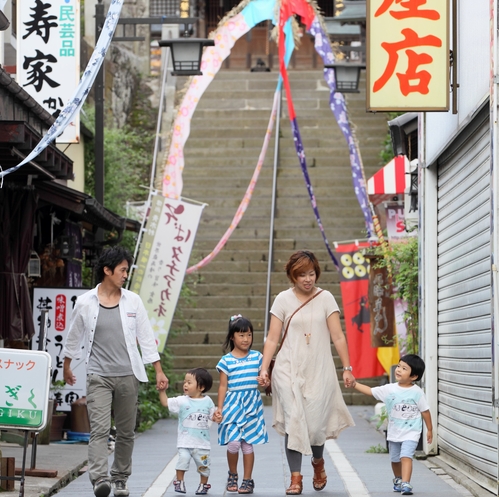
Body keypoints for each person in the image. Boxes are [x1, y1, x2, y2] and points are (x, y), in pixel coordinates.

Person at [62, 246, 168, 497]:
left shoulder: (133, 300)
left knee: (126, 431)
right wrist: (66, 366)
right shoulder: (85, 302)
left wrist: (158, 371)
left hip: (128, 375)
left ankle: (120, 479)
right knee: (99, 430)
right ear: (107, 270)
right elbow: (73, 336)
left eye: (126, 270)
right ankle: (100, 478)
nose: (125, 275)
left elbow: (146, 336)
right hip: (98, 375)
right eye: (122, 270)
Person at [258, 250, 355, 495]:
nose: (308, 279)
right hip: (287, 369)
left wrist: (347, 368)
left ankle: (318, 463)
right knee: (294, 421)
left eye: (311, 274)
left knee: (315, 425)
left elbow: (338, 336)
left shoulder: (326, 298)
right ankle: (295, 478)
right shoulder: (282, 299)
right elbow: (272, 338)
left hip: (319, 369)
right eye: (302, 275)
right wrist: (264, 369)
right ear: (293, 276)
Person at [350, 354, 433, 495]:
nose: (399, 370)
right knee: (395, 459)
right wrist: (354, 384)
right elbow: (370, 391)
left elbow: (425, 411)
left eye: (404, 368)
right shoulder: (389, 389)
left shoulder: (417, 393)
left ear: (414, 377)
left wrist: (429, 429)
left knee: (406, 456)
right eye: (399, 366)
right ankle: (398, 479)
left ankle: (406, 483)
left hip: (411, 432)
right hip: (394, 432)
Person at [215, 315, 268, 494]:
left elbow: (265, 379)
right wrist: (219, 408)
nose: (246, 339)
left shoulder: (258, 357)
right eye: (241, 335)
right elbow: (223, 386)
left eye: (249, 335)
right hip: (232, 406)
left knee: (247, 444)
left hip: (251, 406)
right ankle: (233, 473)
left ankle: (247, 480)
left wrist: (265, 381)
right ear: (232, 337)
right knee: (233, 443)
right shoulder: (226, 361)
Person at [158, 368, 216, 495]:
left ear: (201, 387)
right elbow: (165, 403)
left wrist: (218, 417)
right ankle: (179, 482)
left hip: (202, 444)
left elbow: (214, 416)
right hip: (185, 442)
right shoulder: (182, 400)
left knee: (204, 466)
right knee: (182, 460)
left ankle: (203, 484)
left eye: (189, 382)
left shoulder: (208, 401)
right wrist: (162, 391)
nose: (185, 384)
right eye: (185, 382)